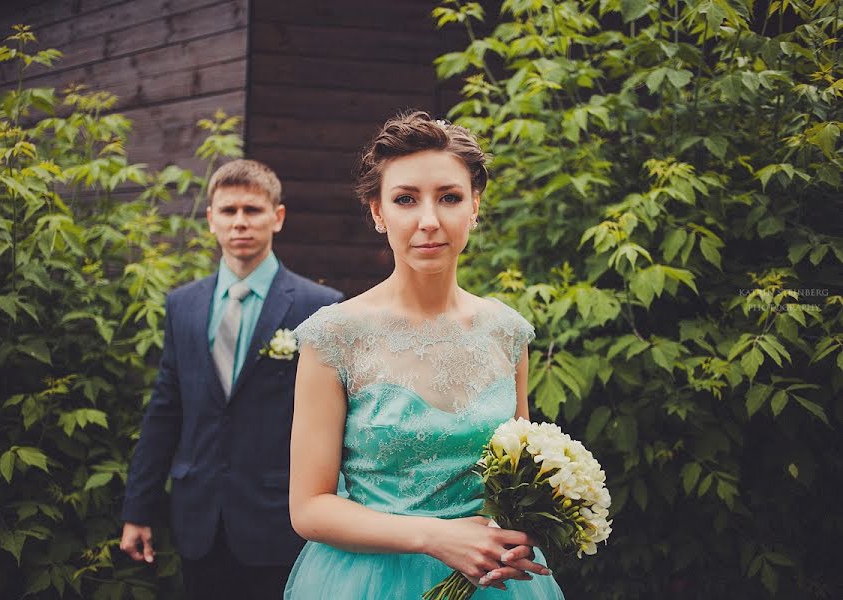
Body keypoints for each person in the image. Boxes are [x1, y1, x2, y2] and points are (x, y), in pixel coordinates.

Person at [284, 112, 565, 599]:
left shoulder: (508, 333)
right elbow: (309, 507)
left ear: (474, 207)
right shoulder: (334, 337)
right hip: (369, 581)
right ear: (378, 213)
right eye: (405, 199)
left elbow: (518, 477)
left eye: (450, 198)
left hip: (493, 583)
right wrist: (434, 537)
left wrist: (525, 528)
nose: (429, 221)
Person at [119, 159, 344, 600]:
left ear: (277, 217)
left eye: (252, 210)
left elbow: (336, 420)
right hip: (198, 516)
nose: (240, 222)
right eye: (228, 211)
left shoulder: (320, 307)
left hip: (280, 518)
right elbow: (166, 411)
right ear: (211, 220)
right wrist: (138, 509)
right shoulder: (182, 305)